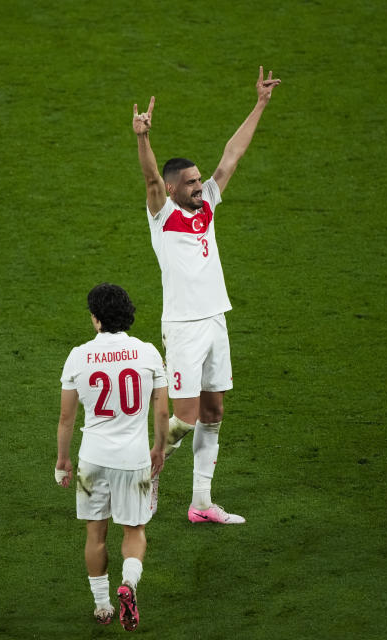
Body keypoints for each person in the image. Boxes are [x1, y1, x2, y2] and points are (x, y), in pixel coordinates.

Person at [132, 66, 281, 525]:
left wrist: (259, 104)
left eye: (201, 181)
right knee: (184, 422)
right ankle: (147, 474)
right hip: (183, 327)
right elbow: (153, 179)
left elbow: (231, 155)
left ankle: (200, 502)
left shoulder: (208, 206)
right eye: (192, 183)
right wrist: (142, 138)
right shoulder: (163, 215)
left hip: (216, 319)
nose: (201, 186)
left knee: (214, 411)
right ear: (175, 189)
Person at [55, 283, 169, 630]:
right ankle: (129, 584)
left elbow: (66, 418)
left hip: (92, 459)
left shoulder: (78, 356)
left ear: (96, 319)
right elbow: (162, 413)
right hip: (133, 459)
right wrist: (159, 448)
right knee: (134, 531)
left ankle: (103, 606)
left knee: (96, 534)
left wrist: (63, 460)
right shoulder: (148, 353)